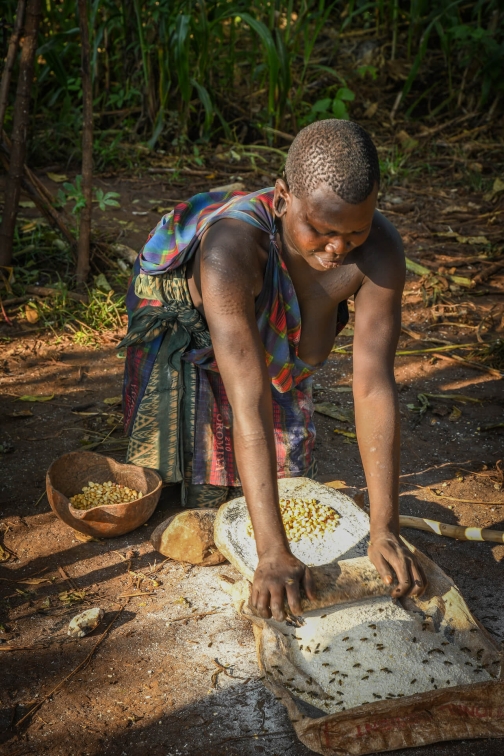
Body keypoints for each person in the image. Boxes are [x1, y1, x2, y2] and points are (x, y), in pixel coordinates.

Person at [120, 119, 426, 621]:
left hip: (268, 328)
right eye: (321, 230)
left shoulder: (381, 250)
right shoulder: (230, 252)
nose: (337, 248)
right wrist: (272, 554)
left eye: (355, 230)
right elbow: (249, 399)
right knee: (188, 491)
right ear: (283, 198)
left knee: (289, 486)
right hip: (193, 318)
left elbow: (372, 386)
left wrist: (384, 527)